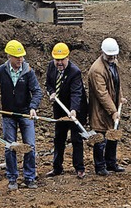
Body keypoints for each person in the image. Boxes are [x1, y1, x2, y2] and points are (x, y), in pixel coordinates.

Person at [0, 39, 43, 190]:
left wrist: (33, 107)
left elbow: (37, 91)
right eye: (17, 57)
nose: (20, 60)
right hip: (8, 114)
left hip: (25, 114)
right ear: (9, 56)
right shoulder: (1, 71)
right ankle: (12, 178)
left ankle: (29, 177)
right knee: (10, 147)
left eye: (22, 57)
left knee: (30, 146)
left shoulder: (28, 71)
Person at [45, 42, 87, 179]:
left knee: (76, 138)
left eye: (62, 59)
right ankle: (57, 168)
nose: (60, 62)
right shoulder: (51, 67)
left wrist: (74, 110)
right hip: (60, 108)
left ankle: (79, 168)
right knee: (59, 137)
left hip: (76, 108)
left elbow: (76, 92)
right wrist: (51, 92)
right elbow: (49, 84)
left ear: (68, 57)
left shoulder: (75, 72)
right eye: (57, 60)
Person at [88, 37, 127, 176]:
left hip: (112, 107)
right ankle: (100, 166)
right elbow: (102, 94)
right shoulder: (96, 70)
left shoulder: (114, 63)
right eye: (109, 55)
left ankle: (111, 163)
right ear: (103, 53)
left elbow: (117, 83)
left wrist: (120, 97)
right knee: (100, 137)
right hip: (100, 110)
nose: (112, 57)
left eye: (113, 55)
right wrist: (113, 111)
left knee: (113, 135)